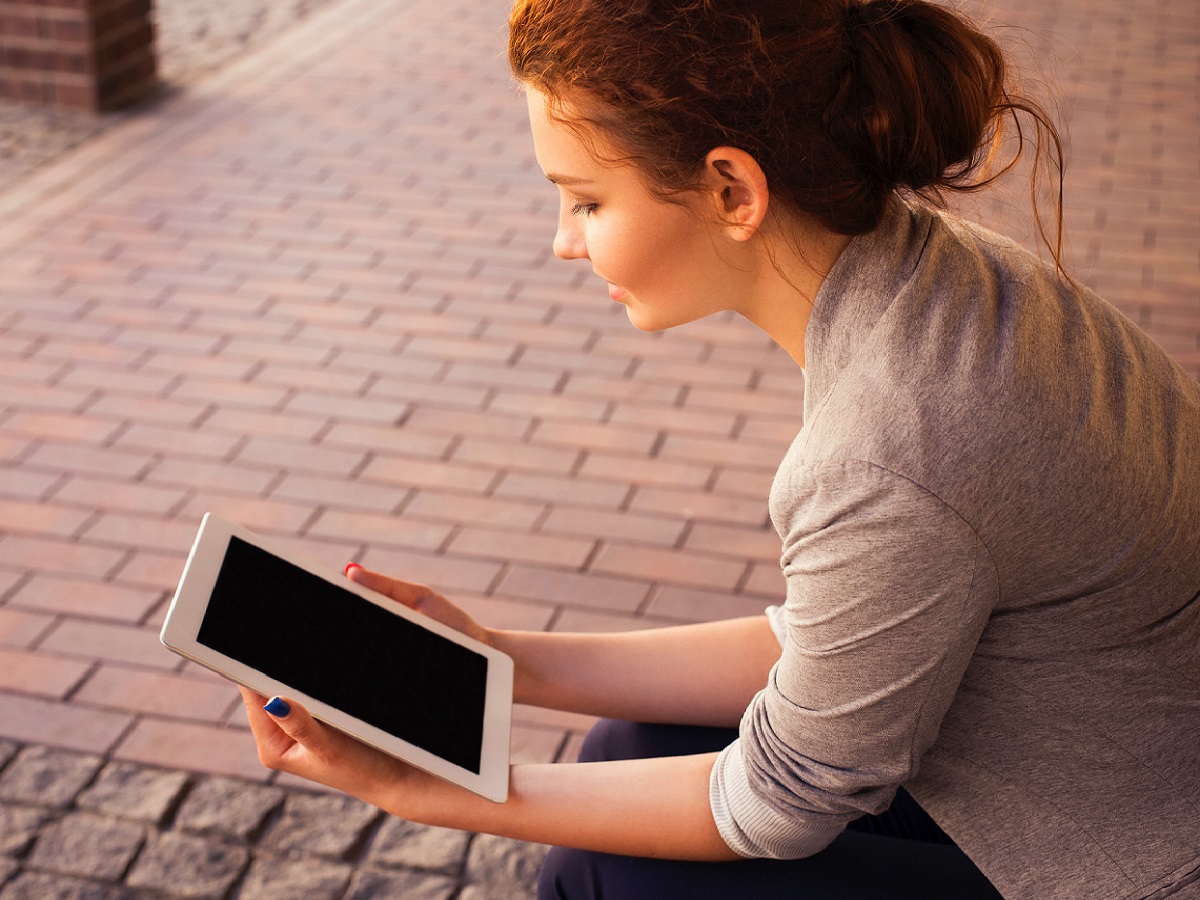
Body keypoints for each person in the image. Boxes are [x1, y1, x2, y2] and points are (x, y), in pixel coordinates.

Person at [238, 0, 1200, 897]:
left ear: (732, 188)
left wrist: (420, 792)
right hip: (1074, 762)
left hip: (1115, 859)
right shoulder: (943, 275)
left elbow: (779, 805)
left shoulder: (886, 448)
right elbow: (839, 634)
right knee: (627, 745)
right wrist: (500, 660)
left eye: (585, 201)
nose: (564, 244)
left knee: (608, 874)